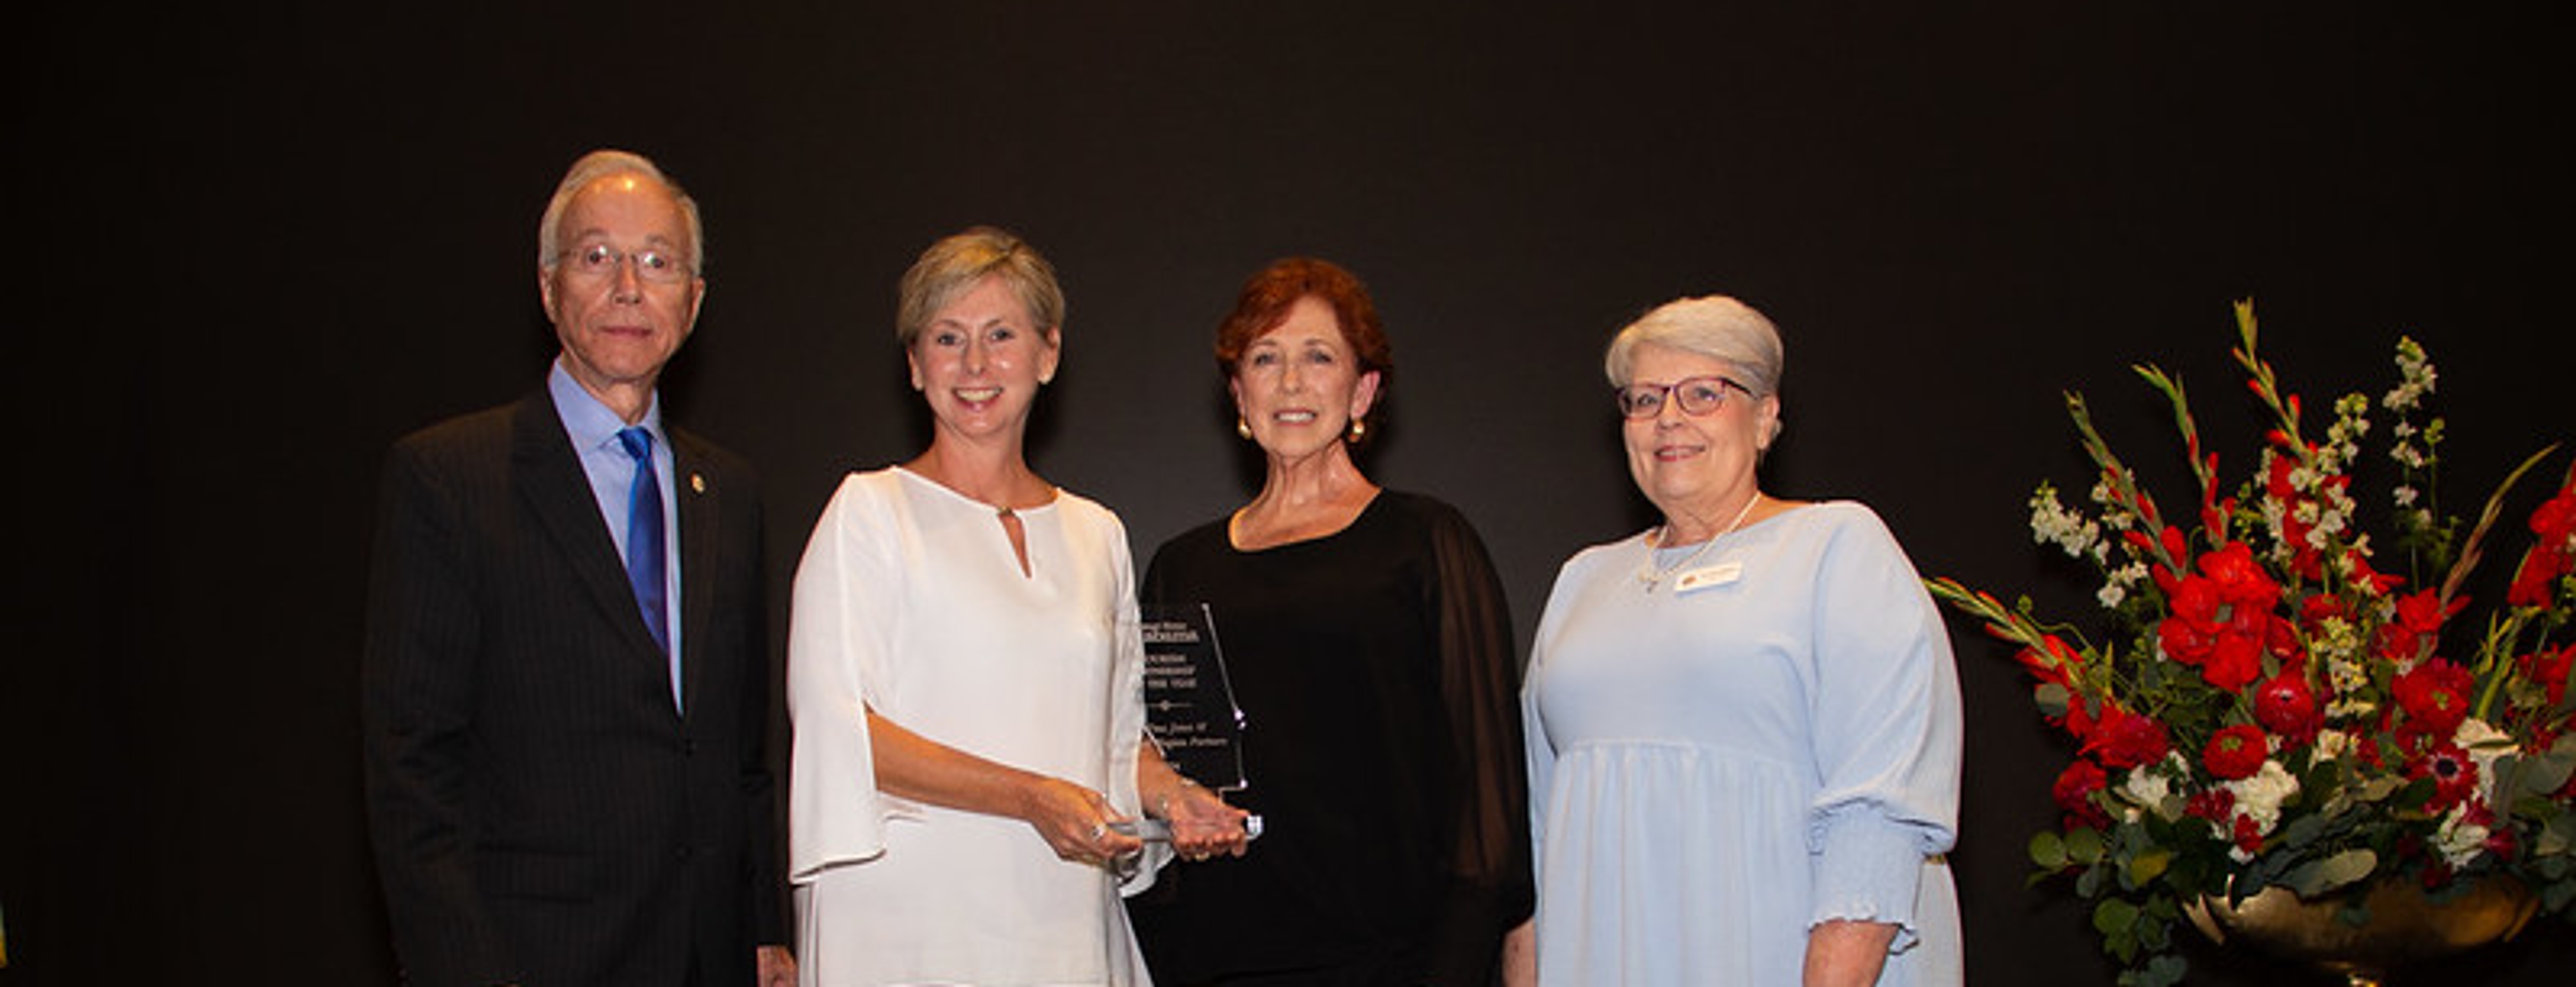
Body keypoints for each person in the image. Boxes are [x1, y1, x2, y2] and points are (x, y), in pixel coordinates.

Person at [362, 149, 794, 986]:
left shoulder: (729, 491)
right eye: (597, 257)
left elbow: (740, 754)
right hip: (530, 957)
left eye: (658, 262)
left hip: (709, 956)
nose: (630, 286)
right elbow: (411, 771)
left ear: (694, 300)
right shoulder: (450, 478)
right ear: (548, 286)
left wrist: (762, 928)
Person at [786, 227, 1246, 986]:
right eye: (946, 337)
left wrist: (1176, 798)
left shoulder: (1097, 533)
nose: (974, 364)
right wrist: (1030, 797)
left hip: (1061, 916)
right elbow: (845, 736)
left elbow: (1115, 741)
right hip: (908, 927)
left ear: (1048, 353)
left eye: (1001, 334)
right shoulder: (867, 513)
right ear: (913, 364)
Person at [1519, 295, 1962, 986]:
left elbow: (1877, 817)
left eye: (1703, 393)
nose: (1669, 417)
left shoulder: (1836, 548)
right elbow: (1538, 826)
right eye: (1644, 399)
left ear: (1766, 416)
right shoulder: (1583, 579)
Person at [1124, 258, 1535, 986]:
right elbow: (1152, 755)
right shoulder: (1179, 567)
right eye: (1265, 358)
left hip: (1392, 962)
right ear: (1237, 392)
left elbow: (1489, 805)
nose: (1290, 382)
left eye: (1318, 357)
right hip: (1217, 959)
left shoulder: (1426, 541)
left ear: (1363, 389)